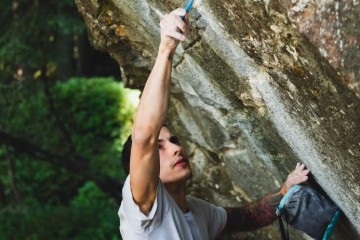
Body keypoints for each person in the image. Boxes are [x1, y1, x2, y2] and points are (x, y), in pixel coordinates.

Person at [118, 8, 310, 240]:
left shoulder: (198, 211)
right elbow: (144, 134)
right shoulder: (143, 211)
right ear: (140, 169)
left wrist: (285, 191)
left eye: (173, 141)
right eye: (160, 147)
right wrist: (166, 49)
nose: (176, 148)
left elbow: (244, 218)